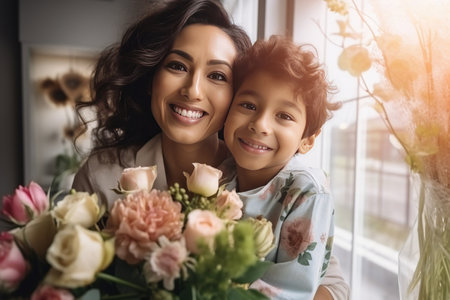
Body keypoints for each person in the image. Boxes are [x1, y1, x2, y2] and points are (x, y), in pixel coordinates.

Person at [72, 1, 348, 299]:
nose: (193, 90)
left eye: (217, 76)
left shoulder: (265, 178)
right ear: (153, 78)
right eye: (177, 66)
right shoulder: (102, 173)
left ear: (233, 92)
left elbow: (328, 281)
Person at [222, 35, 343, 299]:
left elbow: (291, 289)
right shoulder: (219, 174)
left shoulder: (306, 191)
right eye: (248, 105)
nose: (260, 124)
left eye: (284, 116)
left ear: (308, 140)